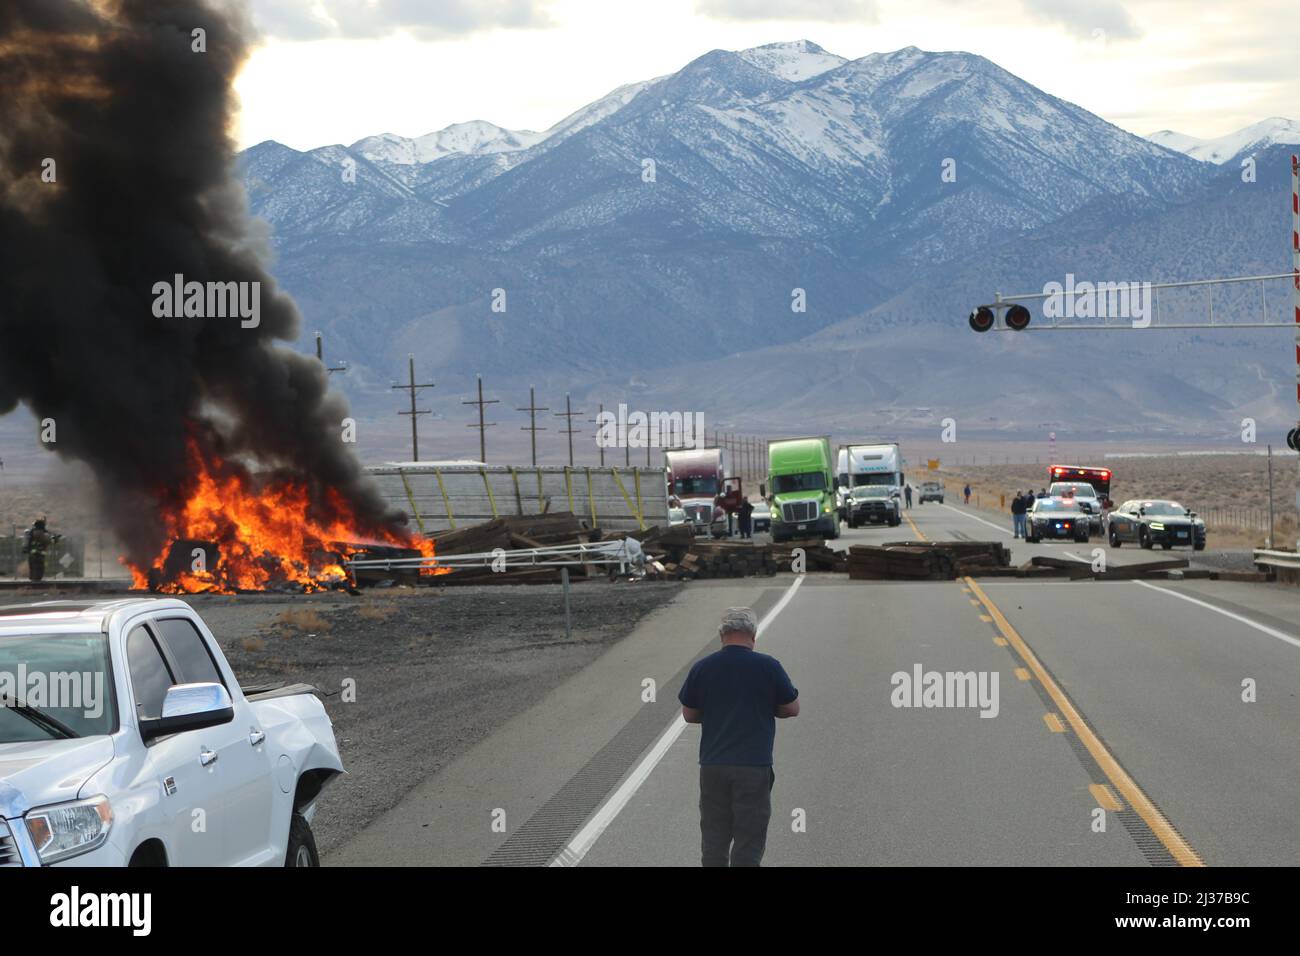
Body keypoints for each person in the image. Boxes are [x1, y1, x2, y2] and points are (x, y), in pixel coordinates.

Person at [679, 607, 800, 867]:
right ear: (753, 635)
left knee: (714, 834)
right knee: (749, 835)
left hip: (713, 765)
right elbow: (792, 708)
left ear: (722, 635)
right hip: (753, 766)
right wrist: (767, 708)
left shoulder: (703, 667)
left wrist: (713, 714)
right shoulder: (768, 666)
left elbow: (689, 714)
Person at [22, 517, 60, 583]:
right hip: (38, 555)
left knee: (33, 570)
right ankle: (36, 586)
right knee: (39, 570)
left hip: (32, 555)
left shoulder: (33, 532)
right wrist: (55, 539)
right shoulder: (39, 533)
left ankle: (32, 585)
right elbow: (48, 540)